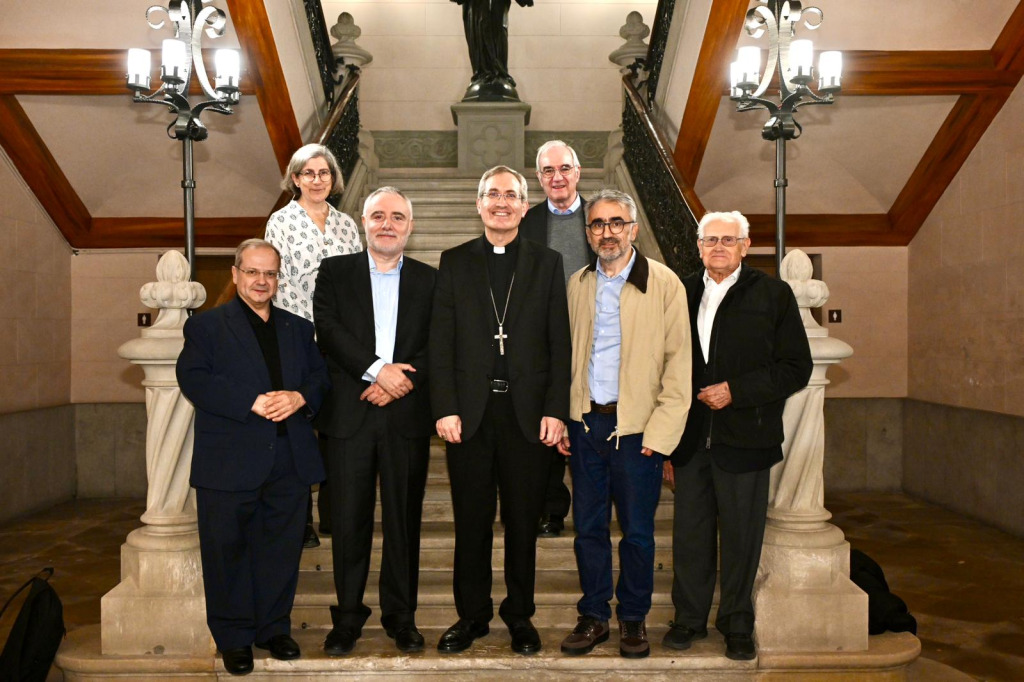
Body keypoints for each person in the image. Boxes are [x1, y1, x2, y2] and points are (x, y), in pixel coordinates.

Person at [429, 165, 571, 655]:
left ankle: (519, 615)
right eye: (492, 194)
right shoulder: (454, 261)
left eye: (511, 195)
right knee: (471, 521)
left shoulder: (547, 263)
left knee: (523, 521)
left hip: (527, 415)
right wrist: (445, 406)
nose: (501, 203)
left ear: (525, 207)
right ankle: (471, 616)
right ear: (479, 204)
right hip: (469, 414)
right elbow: (441, 342)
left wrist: (556, 409)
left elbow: (559, 343)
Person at [663, 211, 812, 661]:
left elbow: (796, 367)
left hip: (747, 438)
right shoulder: (680, 291)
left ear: (746, 246)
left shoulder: (773, 294)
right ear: (698, 246)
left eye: (729, 240)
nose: (719, 248)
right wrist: (665, 440)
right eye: (710, 240)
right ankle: (689, 619)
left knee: (742, 538)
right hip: (689, 441)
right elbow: (662, 366)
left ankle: (737, 623)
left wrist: (736, 391)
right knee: (690, 537)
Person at [177, 239, 330, 676]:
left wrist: (300, 397)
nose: (261, 281)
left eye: (270, 274)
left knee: (280, 551)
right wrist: (251, 401)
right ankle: (234, 637)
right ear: (235, 274)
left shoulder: (298, 328)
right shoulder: (206, 327)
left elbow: (321, 377)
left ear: (278, 279)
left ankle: (273, 629)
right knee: (226, 553)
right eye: (252, 272)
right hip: (229, 461)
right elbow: (193, 378)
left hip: (289, 459)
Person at [556, 190, 691, 659]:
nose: (607, 232)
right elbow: (566, 357)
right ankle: (594, 616)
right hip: (586, 427)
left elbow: (679, 365)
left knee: (637, 533)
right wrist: (567, 418)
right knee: (589, 530)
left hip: (638, 432)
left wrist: (661, 434)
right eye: (597, 224)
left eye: (616, 222)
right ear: (587, 232)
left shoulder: (664, 283)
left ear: (633, 229)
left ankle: (633, 619)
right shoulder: (577, 284)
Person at [312, 187, 436, 656]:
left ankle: (401, 617)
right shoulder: (335, 271)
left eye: (397, 217)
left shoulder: (430, 279)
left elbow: (439, 342)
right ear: (363, 222)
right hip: (349, 415)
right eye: (378, 215)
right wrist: (377, 370)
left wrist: (399, 382)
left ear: (410, 226)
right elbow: (328, 329)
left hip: (405, 415)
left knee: (403, 522)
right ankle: (347, 618)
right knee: (347, 522)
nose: (388, 224)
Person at [265, 143, 362, 549]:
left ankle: (334, 516)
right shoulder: (281, 222)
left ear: (333, 179)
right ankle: (301, 520)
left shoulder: (346, 225)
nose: (317, 180)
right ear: (295, 179)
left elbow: (358, 283)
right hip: (298, 340)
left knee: (337, 430)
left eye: (324, 173)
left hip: (339, 342)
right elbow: (277, 281)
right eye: (309, 173)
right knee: (299, 431)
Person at [520, 140, 589, 538]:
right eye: (548, 170)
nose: (557, 177)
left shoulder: (600, 218)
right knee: (546, 423)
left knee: (584, 421)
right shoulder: (525, 222)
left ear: (577, 172)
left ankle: (592, 507)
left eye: (564, 168)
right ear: (539, 177)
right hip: (541, 340)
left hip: (591, 336)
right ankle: (551, 508)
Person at [450, 0, 533, 101]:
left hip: (497, 11)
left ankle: (500, 74)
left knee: (498, 38)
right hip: (477, 10)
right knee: (481, 36)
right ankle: (482, 74)